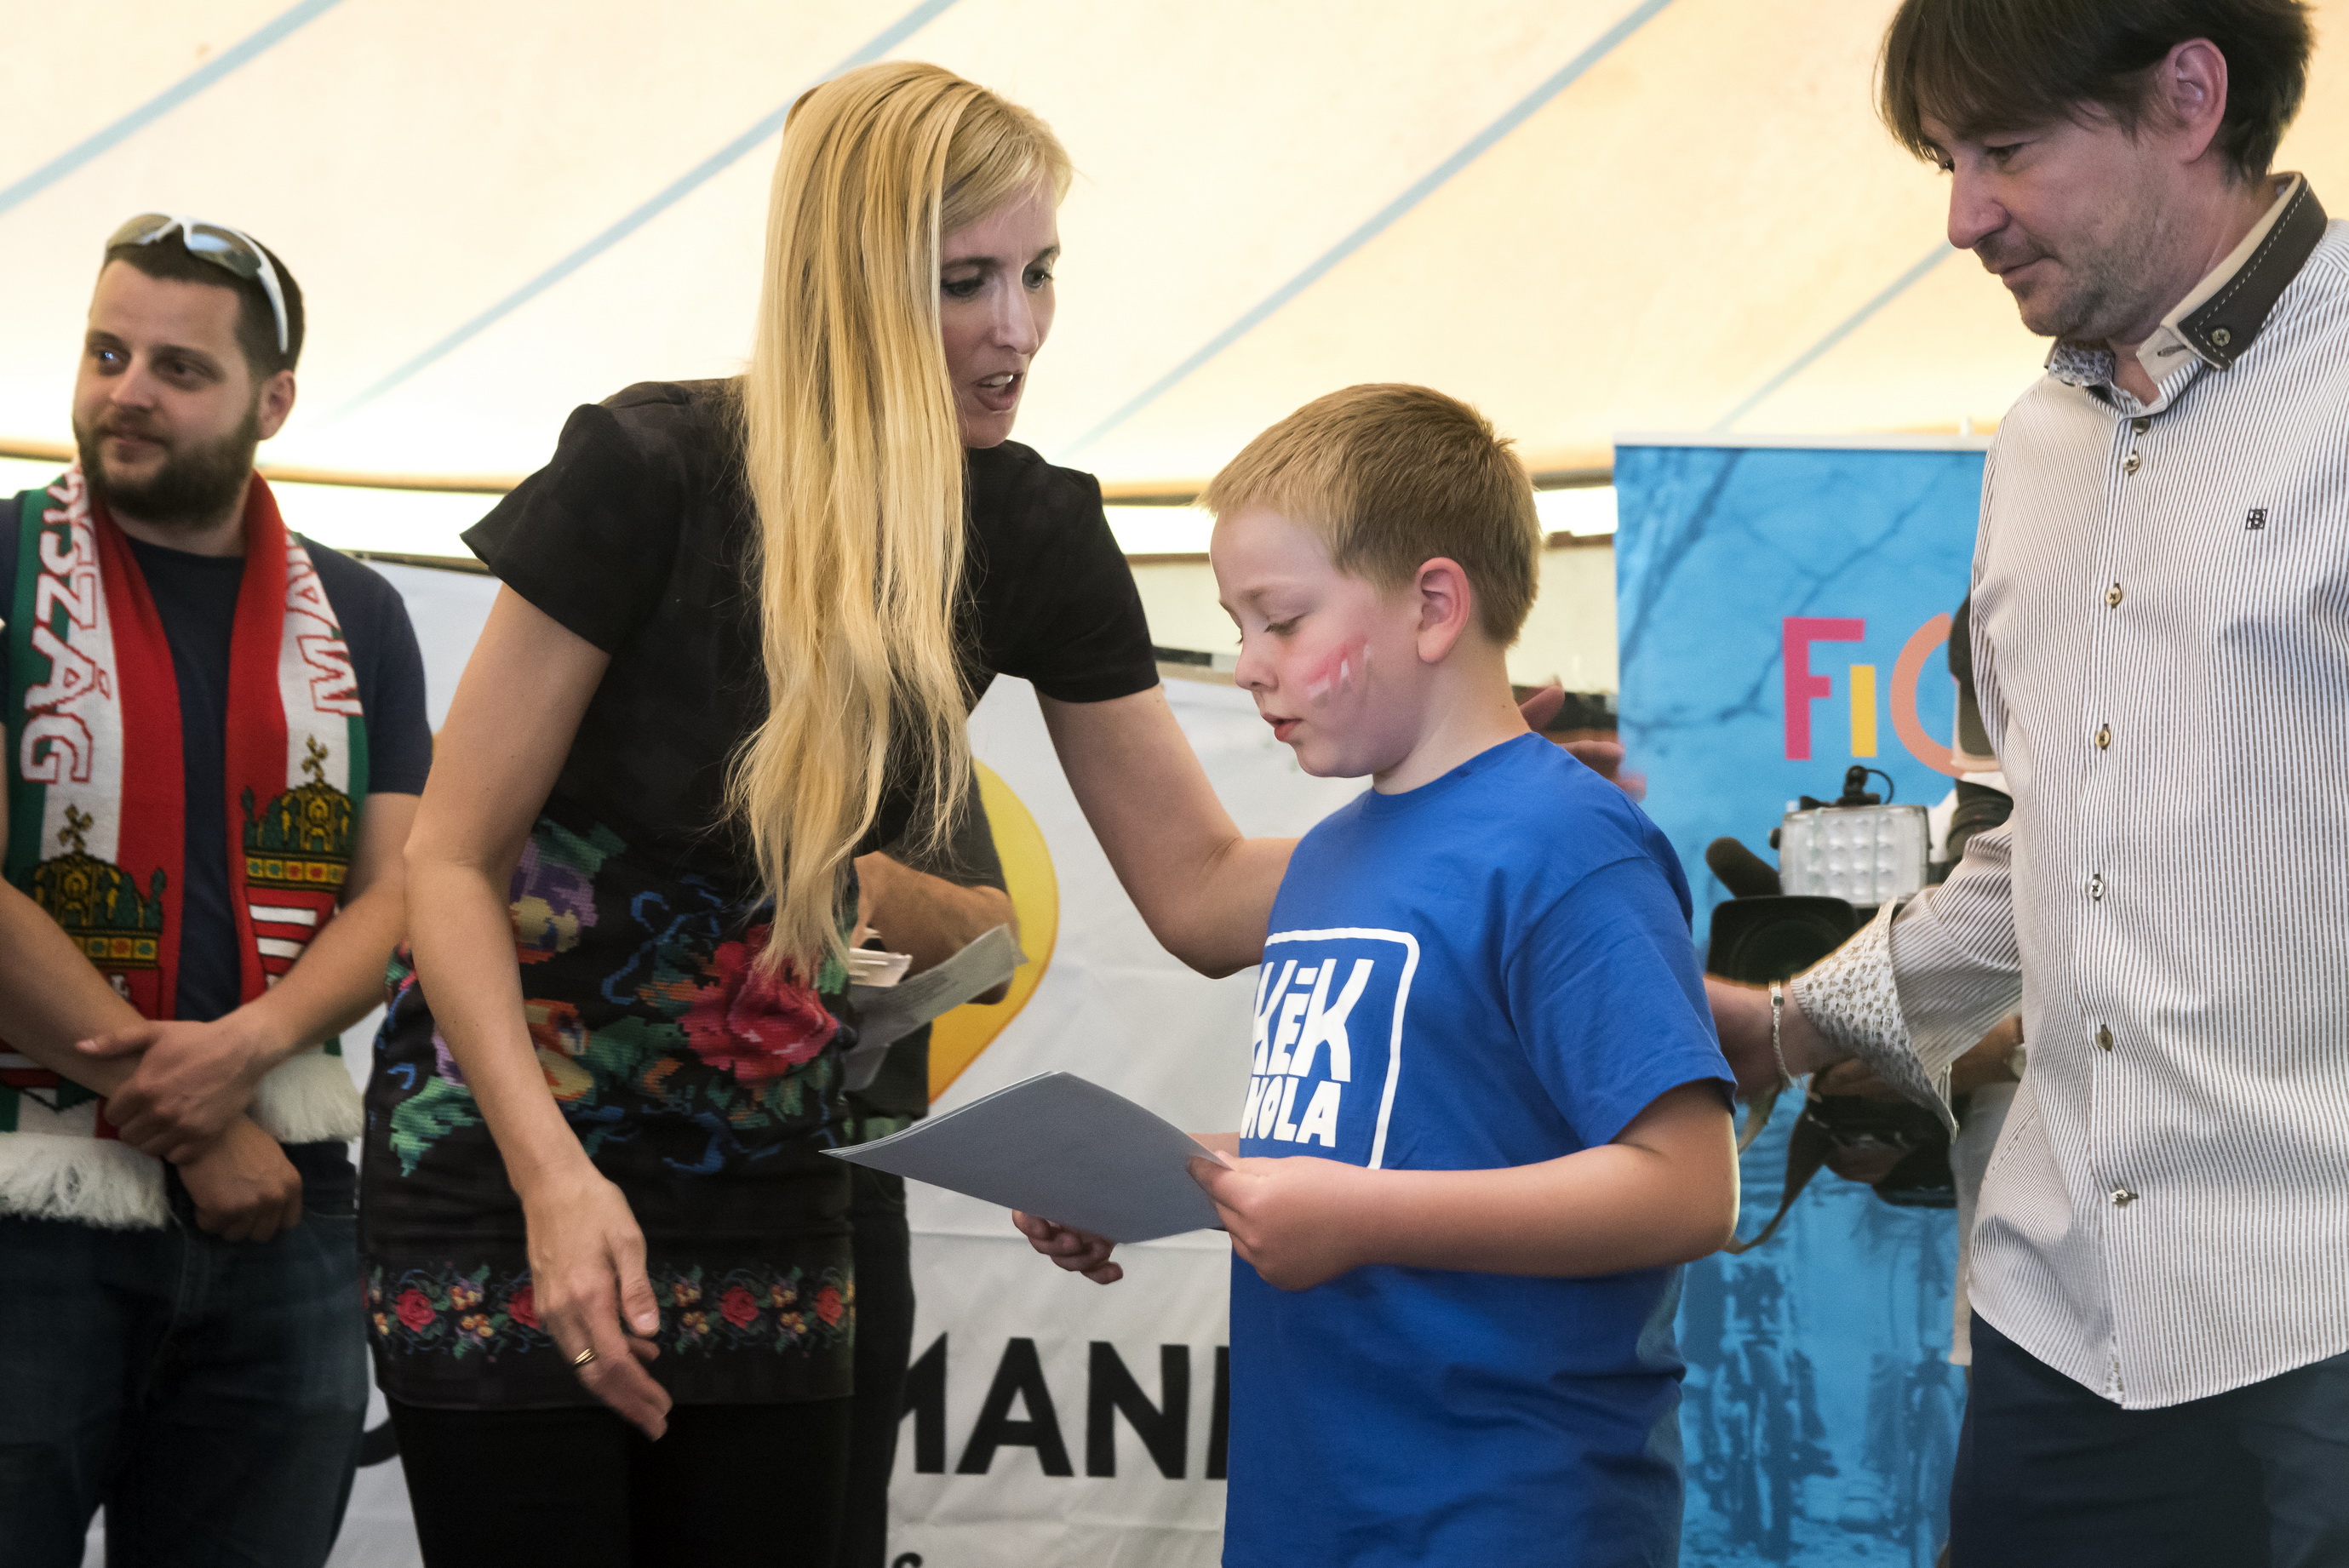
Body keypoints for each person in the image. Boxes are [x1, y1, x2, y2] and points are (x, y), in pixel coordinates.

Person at [1708, 3, 2349, 1561]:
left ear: (2185, 95)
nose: (1960, 216)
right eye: (1945, 159)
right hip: (2060, 1317)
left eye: (2002, 149)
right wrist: (1782, 1027)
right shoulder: (2034, 448)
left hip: (2319, 1322)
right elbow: (2035, 866)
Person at [1017, 385, 1739, 1566]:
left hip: (1505, 1514)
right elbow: (1374, 1138)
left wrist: (1355, 1218)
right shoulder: (1325, 858)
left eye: (1281, 620)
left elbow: (1687, 1187)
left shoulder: (1566, 844)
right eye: (1237, 625)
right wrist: (1150, 1175)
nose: (1247, 667)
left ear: (1434, 606)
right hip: (1313, 1504)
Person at [0, 218, 431, 1565]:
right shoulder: (1, 563)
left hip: (285, 1202)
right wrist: (191, 1126)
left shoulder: (358, 613)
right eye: (106, 352)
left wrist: (245, 1052)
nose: (127, 390)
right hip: (24, 1199)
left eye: (179, 368)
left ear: (273, 400)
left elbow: (406, 891)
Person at [839, 798, 1012, 1568]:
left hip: (845, 1172)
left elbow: (994, 948)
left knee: (831, 1520)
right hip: (609, 1164)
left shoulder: (898, 736)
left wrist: (865, 879)